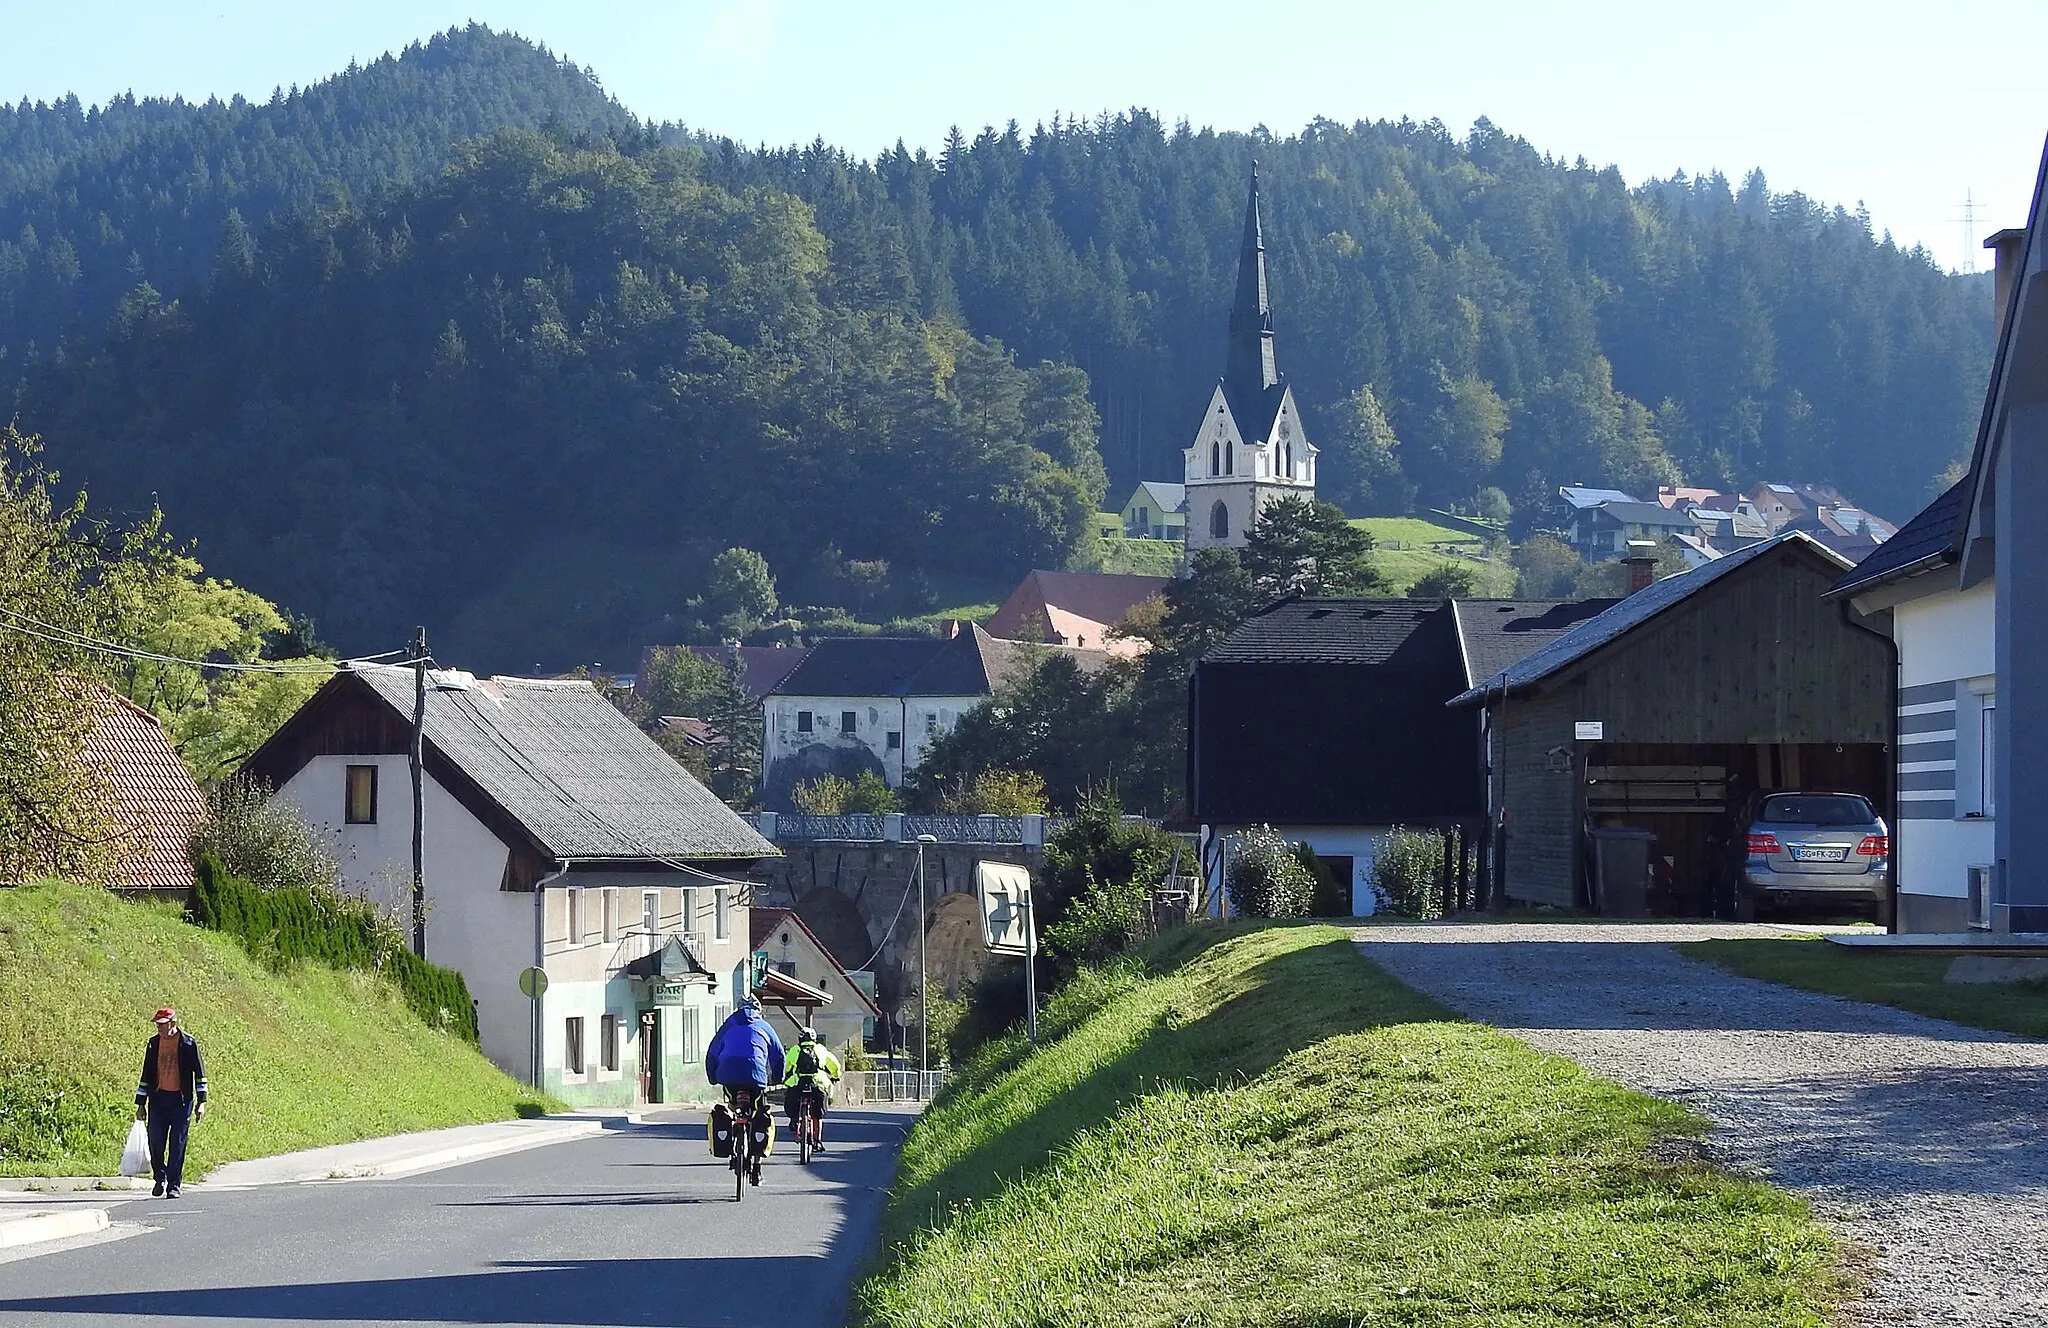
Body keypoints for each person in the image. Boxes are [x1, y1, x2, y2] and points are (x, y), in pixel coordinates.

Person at [704, 997, 785, 1182]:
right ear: (759, 1010)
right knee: (759, 1114)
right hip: (756, 1076)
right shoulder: (764, 1026)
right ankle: (756, 1168)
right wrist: (777, 1077)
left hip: (728, 1074)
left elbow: (712, 1052)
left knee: (732, 1105)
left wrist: (713, 1077)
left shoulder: (728, 1025)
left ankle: (733, 1130)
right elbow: (778, 1054)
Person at [134, 1007, 206, 1199]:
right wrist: (140, 1103)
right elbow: (146, 1075)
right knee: (155, 1141)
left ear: (173, 1023)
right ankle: (160, 1177)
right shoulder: (153, 1044)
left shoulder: (188, 1044)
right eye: (157, 1025)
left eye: (163, 1025)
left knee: (178, 1144)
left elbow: (199, 1074)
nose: (159, 1028)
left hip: (181, 1102)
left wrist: (202, 1102)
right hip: (158, 1100)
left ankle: (174, 1185)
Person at [782, 1026, 842, 1148]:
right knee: (818, 1114)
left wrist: (785, 1077)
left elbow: (786, 1066)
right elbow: (834, 1064)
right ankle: (818, 1140)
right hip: (818, 1082)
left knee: (792, 1100)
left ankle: (795, 1119)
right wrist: (836, 1076)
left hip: (798, 1082)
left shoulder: (795, 1049)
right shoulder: (820, 1049)